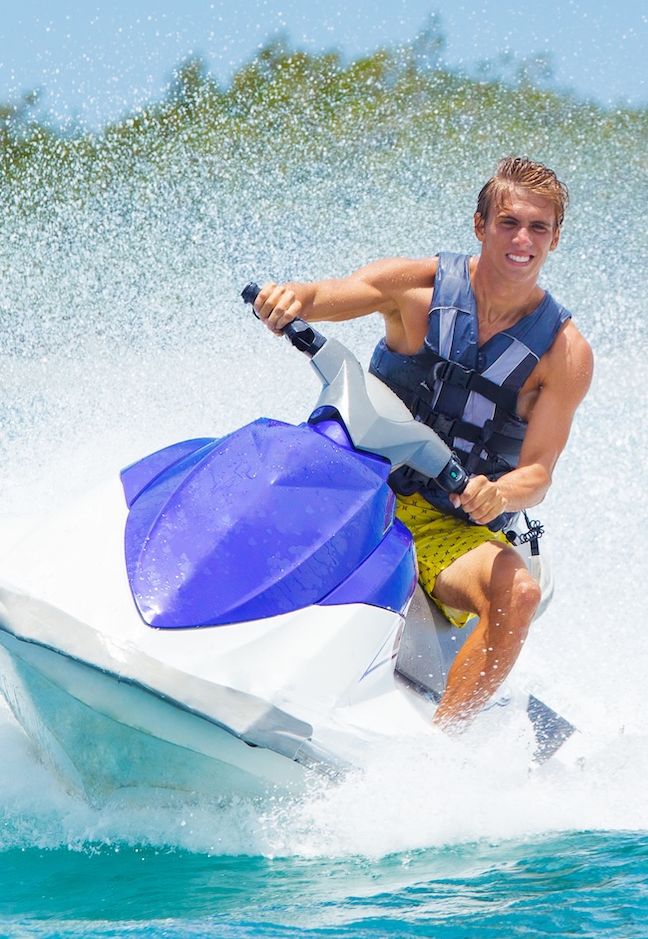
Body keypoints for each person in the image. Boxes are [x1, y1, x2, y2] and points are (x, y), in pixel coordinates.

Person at [251, 156, 595, 729]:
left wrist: (499, 493)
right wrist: (289, 298)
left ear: (555, 238)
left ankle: (441, 753)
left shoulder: (564, 354)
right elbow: (324, 294)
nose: (522, 240)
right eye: (509, 222)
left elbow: (538, 473)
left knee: (519, 594)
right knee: (262, 459)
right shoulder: (417, 287)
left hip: (447, 522)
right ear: (480, 225)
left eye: (538, 228)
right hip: (359, 480)